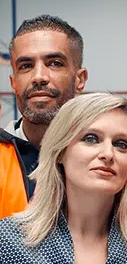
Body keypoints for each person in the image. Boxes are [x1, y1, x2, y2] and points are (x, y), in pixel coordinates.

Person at [0, 91, 127, 263]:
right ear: (60, 151)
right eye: (91, 139)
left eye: (121, 144)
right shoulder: (9, 243)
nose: (108, 154)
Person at [0, 13, 88, 217]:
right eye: (26, 66)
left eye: (55, 63)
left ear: (80, 79)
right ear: (13, 83)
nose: (39, 77)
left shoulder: (108, 155)